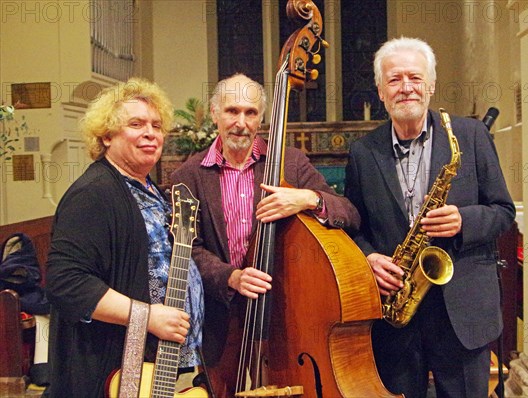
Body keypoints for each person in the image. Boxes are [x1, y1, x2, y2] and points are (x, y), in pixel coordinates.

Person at [344, 37, 516, 398]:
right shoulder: (362, 152)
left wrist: (464, 221)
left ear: (431, 85)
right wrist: (368, 259)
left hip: (462, 314)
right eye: (394, 79)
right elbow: (355, 227)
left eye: (415, 77)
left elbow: (503, 212)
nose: (406, 87)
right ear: (380, 90)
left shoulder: (470, 136)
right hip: (396, 317)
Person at [170, 73, 360, 368]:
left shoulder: (291, 163)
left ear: (261, 118)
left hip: (285, 314)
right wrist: (231, 276)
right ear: (214, 113)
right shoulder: (188, 175)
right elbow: (186, 249)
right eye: (232, 111)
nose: (241, 123)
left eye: (251, 112)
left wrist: (308, 198)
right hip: (222, 320)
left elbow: (348, 213)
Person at [45, 78, 204, 397]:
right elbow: (66, 283)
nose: (150, 133)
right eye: (136, 124)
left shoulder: (148, 191)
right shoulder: (93, 194)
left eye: (157, 125)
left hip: (158, 363)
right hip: (111, 372)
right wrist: (148, 316)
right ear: (106, 135)